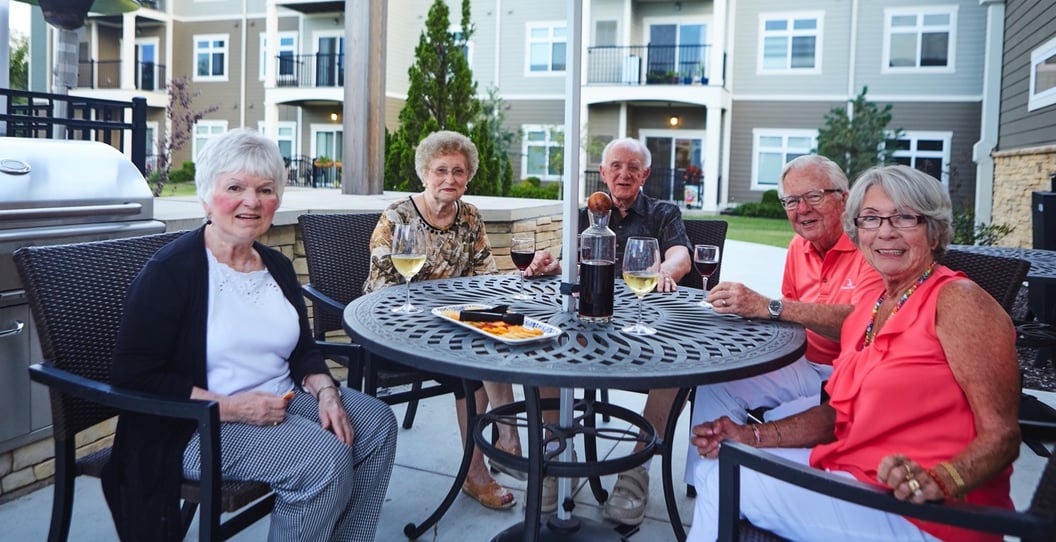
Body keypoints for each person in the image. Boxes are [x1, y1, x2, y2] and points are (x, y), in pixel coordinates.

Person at [687, 165, 1021, 542]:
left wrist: (942, 479)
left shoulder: (959, 302)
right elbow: (837, 417)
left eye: (905, 217)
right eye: (871, 219)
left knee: (721, 476)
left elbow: (1003, 436)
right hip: (856, 474)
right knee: (721, 462)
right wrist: (751, 435)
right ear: (858, 230)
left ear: (935, 230)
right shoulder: (875, 306)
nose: (885, 231)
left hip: (926, 515)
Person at [101, 128, 398, 541]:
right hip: (193, 424)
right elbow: (133, 377)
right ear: (206, 196)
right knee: (323, 461)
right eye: (235, 187)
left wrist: (327, 390)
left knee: (377, 423)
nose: (251, 201)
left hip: (282, 398)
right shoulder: (171, 273)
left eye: (265, 189)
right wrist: (232, 407)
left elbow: (302, 351)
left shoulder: (274, 265)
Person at [683, 154, 883, 483]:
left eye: (813, 196)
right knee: (718, 376)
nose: (802, 209)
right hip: (802, 365)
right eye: (791, 200)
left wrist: (768, 306)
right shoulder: (798, 247)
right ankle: (706, 481)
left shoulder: (871, 246)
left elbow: (863, 324)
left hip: (847, 379)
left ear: (844, 198)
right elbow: (789, 320)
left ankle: (734, 488)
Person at [526, 137, 692, 522]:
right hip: (589, 321)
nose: (624, 173)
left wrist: (665, 270)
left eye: (633, 167)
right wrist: (552, 264)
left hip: (642, 322)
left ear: (645, 174)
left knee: (678, 361)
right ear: (602, 172)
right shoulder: (587, 213)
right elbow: (568, 261)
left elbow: (680, 254)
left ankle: (637, 468)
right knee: (544, 342)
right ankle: (553, 449)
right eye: (616, 165)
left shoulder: (663, 212)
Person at [364, 130, 523, 510]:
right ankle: (481, 466)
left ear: (468, 177)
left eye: (459, 171)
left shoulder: (470, 217)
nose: (449, 179)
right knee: (470, 368)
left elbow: (487, 277)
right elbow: (387, 289)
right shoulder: (398, 217)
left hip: (451, 326)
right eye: (441, 170)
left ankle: (504, 439)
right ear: (424, 174)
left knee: (501, 334)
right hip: (394, 330)